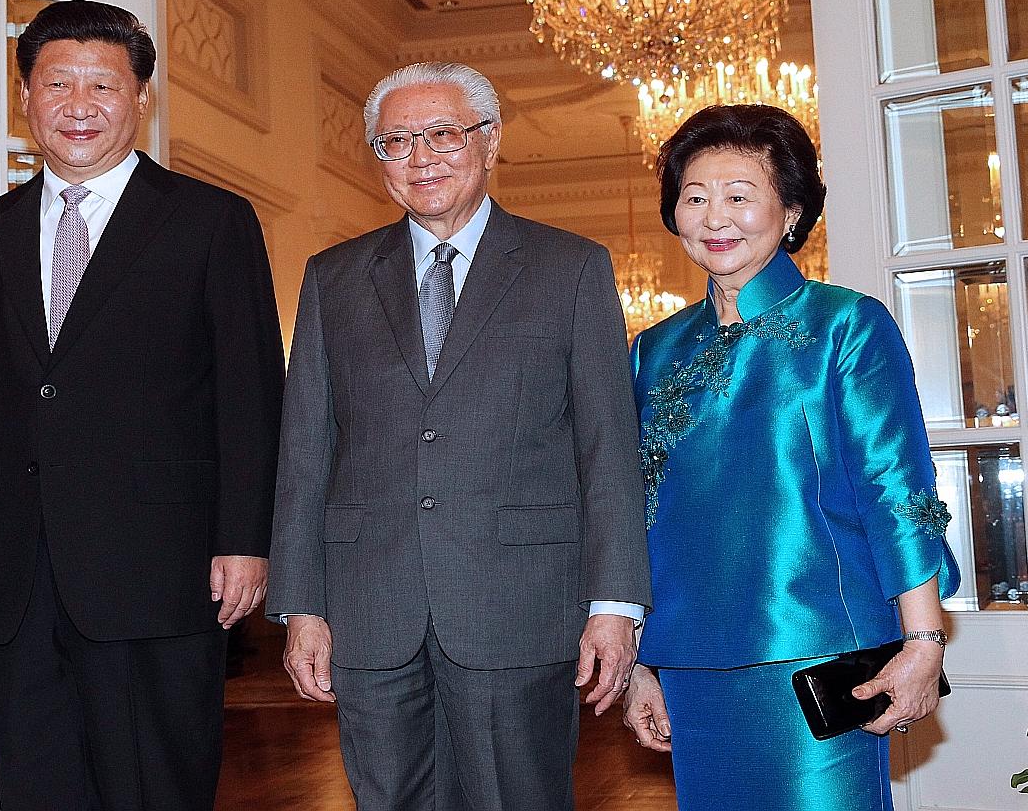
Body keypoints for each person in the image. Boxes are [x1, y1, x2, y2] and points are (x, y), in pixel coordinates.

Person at [0, 0, 284, 811]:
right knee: (38, 785)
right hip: (18, 571)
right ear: (25, 98)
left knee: (155, 785)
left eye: (103, 85)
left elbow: (252, 395)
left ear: (141, 98)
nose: (79, 105)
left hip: (163, 565)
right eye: (58, 84)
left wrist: (245, 538)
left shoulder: (210, 221)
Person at [268, 61, 651, 810]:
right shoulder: (333, 278)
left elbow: (608, 447)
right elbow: (305, 454)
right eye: (396, 142)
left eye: (442, 134)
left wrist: (615, 602)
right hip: (369, 612)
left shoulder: (570, 268)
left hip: (520, 605)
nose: (421, 158)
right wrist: (301, 605)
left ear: (490, 142)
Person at [619, 104, 960, 810]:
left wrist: (923, 639)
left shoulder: (847, 326)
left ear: (793, 212)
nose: (716, 218)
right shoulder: (652, 351)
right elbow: (633, 515)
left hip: (816, 657)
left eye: (740, 197)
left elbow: (896, 486)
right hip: (687, 664)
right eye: (695, 198)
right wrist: (638, 662)